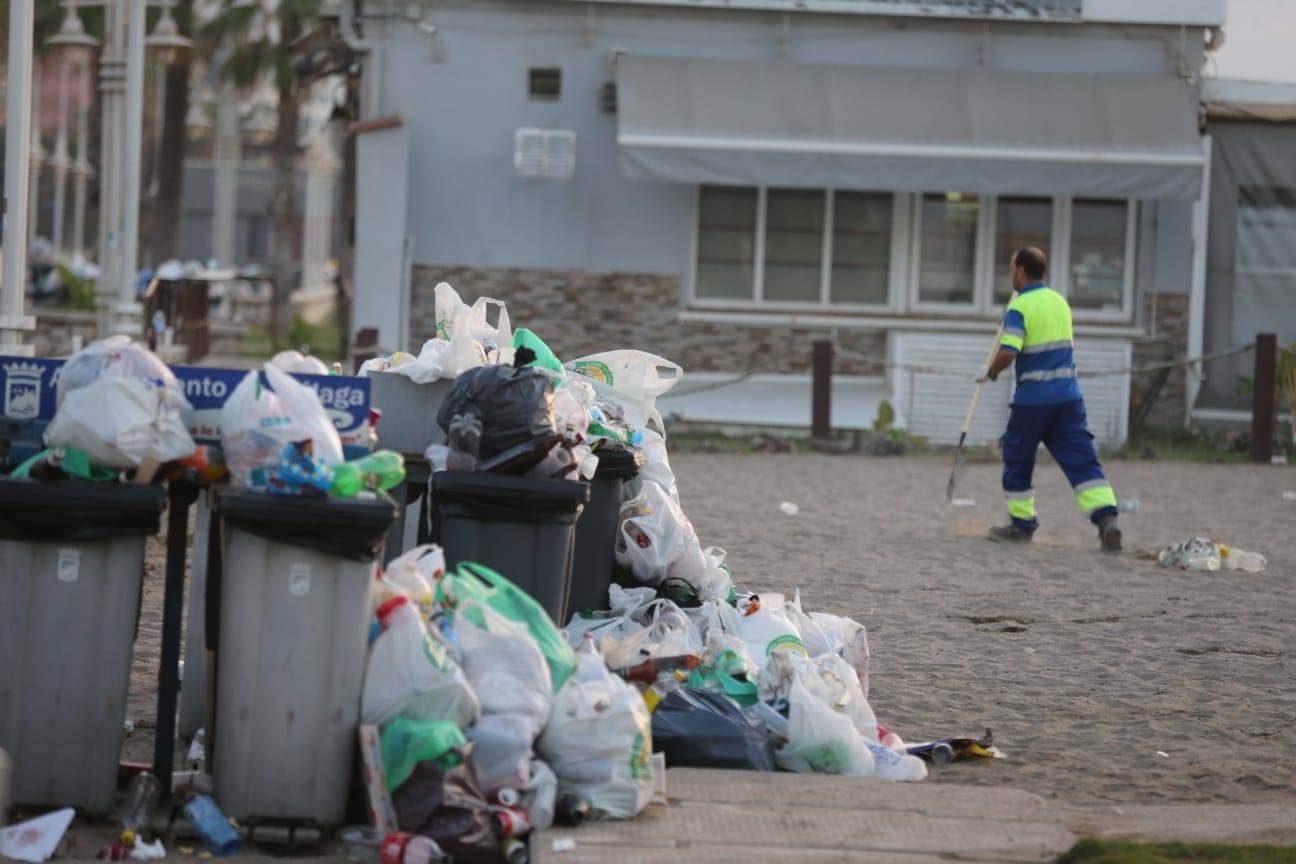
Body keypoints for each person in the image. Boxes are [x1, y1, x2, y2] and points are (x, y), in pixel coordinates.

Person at [980, 246, 1121, 552]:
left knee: (1017, 459)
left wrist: (989, 372)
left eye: (1011, 269)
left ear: (1020, 271)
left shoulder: (1020, 307)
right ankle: (1107, 520)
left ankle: (1021, 526)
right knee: (1082, 460)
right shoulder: (1061, 303)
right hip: (1069, 399)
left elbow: (1008, 351)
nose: (1010, 275)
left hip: (1033, 401)